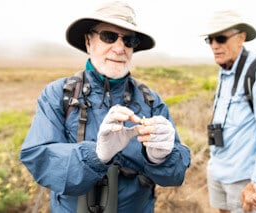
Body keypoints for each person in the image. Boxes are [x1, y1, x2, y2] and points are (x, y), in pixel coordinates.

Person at [19, 1, 191, 213]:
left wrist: (160, 157)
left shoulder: (151, 101)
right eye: (108, 36)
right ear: (88, 42)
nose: (120, 48)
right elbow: (38, 157)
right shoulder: (58, 94)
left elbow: (175, 174)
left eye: (129, 41)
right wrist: (96, 155)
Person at [201, 9, 256, 213]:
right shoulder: (225, 69)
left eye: (221, 38)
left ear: (241, 38)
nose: (214, 45)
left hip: (246, 178)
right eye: (210, 39)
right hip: (218, 169)